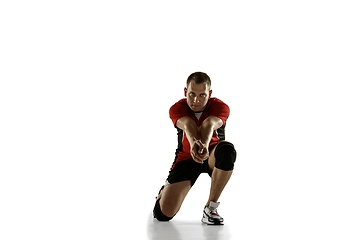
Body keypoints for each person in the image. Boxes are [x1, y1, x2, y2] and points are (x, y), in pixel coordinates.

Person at [153, 72, 237, 225]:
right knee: (162, 215)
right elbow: (187, 124)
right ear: (185, 91)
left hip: (212, 156)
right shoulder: (177, 108)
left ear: (209, 94)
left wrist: (204, 145)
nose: (196, 100)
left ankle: (210, 208)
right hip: (186, 158)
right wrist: (193, 143)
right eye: (192, 94)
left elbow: (209, 123)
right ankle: (163, 193)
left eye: (202, 95)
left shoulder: (220, 106)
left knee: (227, 150)